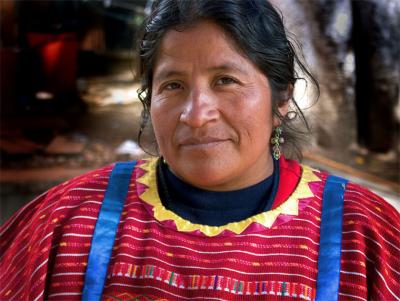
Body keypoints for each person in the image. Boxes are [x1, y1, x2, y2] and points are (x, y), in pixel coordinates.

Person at [1, 0, 399, 300]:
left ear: (281, 100)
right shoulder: (68, 224)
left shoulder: (363, 236)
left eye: (225, 80)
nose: (195, 115)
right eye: (172, 85)